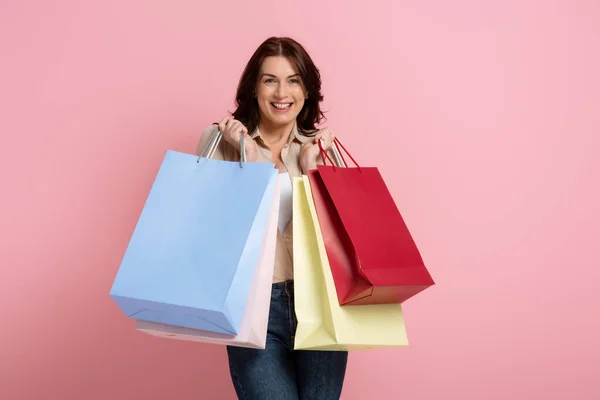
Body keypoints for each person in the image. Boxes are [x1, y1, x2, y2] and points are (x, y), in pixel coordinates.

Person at [196, 37, 348, 399]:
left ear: (308, 90)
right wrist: (249, 159)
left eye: (294, 80)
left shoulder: (319, 148)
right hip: (254, 307)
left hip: (321, 303)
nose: (283, 92)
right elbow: (208, 229)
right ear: (253, 87)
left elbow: (342, 242)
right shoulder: (221, 142)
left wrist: (313, 172)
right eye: (270, 80)